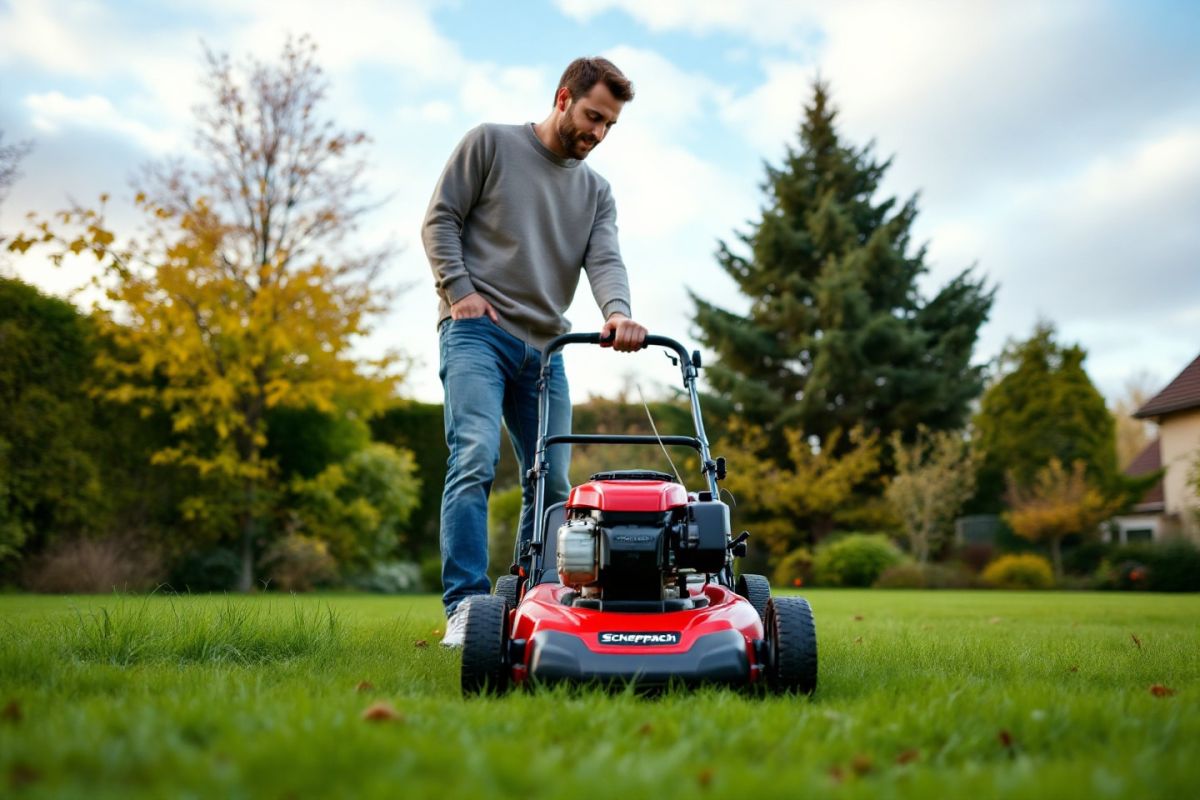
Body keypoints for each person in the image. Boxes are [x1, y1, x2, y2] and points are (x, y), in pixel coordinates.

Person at [422, 57, 647, 646]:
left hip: (547, 351)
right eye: (593, 116)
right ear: (563, 97)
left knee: (552, 482)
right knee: (474, 456)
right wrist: (460, 291)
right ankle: (466, 607)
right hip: (477, 332)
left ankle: (530, 600)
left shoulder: (596, 192)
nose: (598, 132)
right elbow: (440, 219)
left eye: (609, 125)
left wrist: (617, 312)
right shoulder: (490, 144)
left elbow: (605, 258)